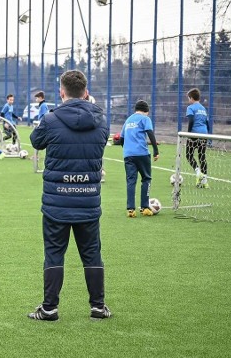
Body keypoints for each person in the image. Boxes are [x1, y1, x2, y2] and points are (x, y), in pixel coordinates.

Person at [28, 70, 111, 321]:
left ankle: (50, 308)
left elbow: (35, 141)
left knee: (54, 253)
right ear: (86, 92)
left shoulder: (51, 119)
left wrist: (48, 119)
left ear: (61, 92)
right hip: (88, 199)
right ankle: (98, 307)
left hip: (57, 201)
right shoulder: (101, 120)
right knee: (92, 253)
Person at [119, 100, 160, 217]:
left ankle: (130, 210)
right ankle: (145, 207)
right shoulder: (145, 119)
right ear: (146, 111)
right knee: (146, 179)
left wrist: (127, 149)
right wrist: (156, 151)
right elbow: (150, 133)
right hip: (142, 153)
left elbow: (121, 139)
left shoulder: (128, 120)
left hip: (128, 155)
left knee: (131, 181)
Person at [185, 88, 211, 187]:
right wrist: (206, 134)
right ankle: (204, 181)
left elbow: (191, 121)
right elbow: (207, 123)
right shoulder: (203, 109)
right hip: (204, 134)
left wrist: (189, 134)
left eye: (188, 98)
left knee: (189, 155)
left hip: (194, 134)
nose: (188, 100)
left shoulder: (191, 107)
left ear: (191, 98)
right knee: (202, 156)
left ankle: (197, 171)